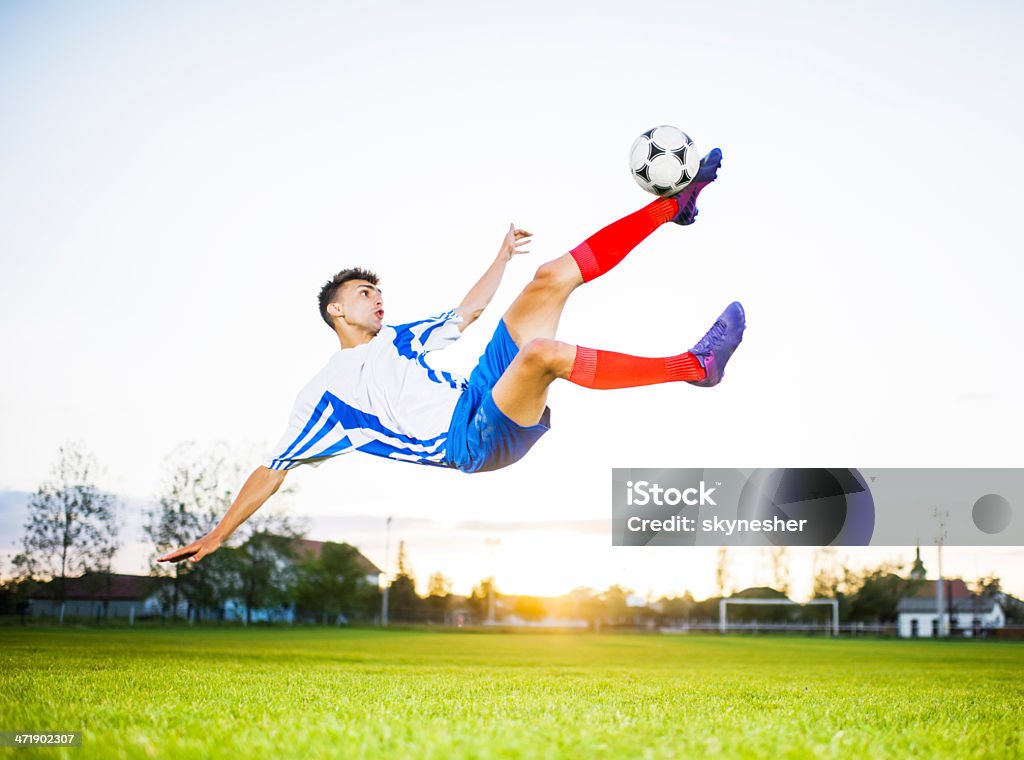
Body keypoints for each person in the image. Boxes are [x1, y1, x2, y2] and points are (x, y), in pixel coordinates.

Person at [158, 148, 744, 565]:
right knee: (541, 354)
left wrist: (502, 257)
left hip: (479, 394)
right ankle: (693, 368)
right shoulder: (323, 396)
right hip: (468, 442)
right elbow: (273, 469)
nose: (377, 298)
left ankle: (677, 206)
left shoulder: (400, 338)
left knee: (546, 279)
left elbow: (467, 312)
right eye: (364, 294)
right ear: (337, 312)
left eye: (378, 290)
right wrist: (217, 534)